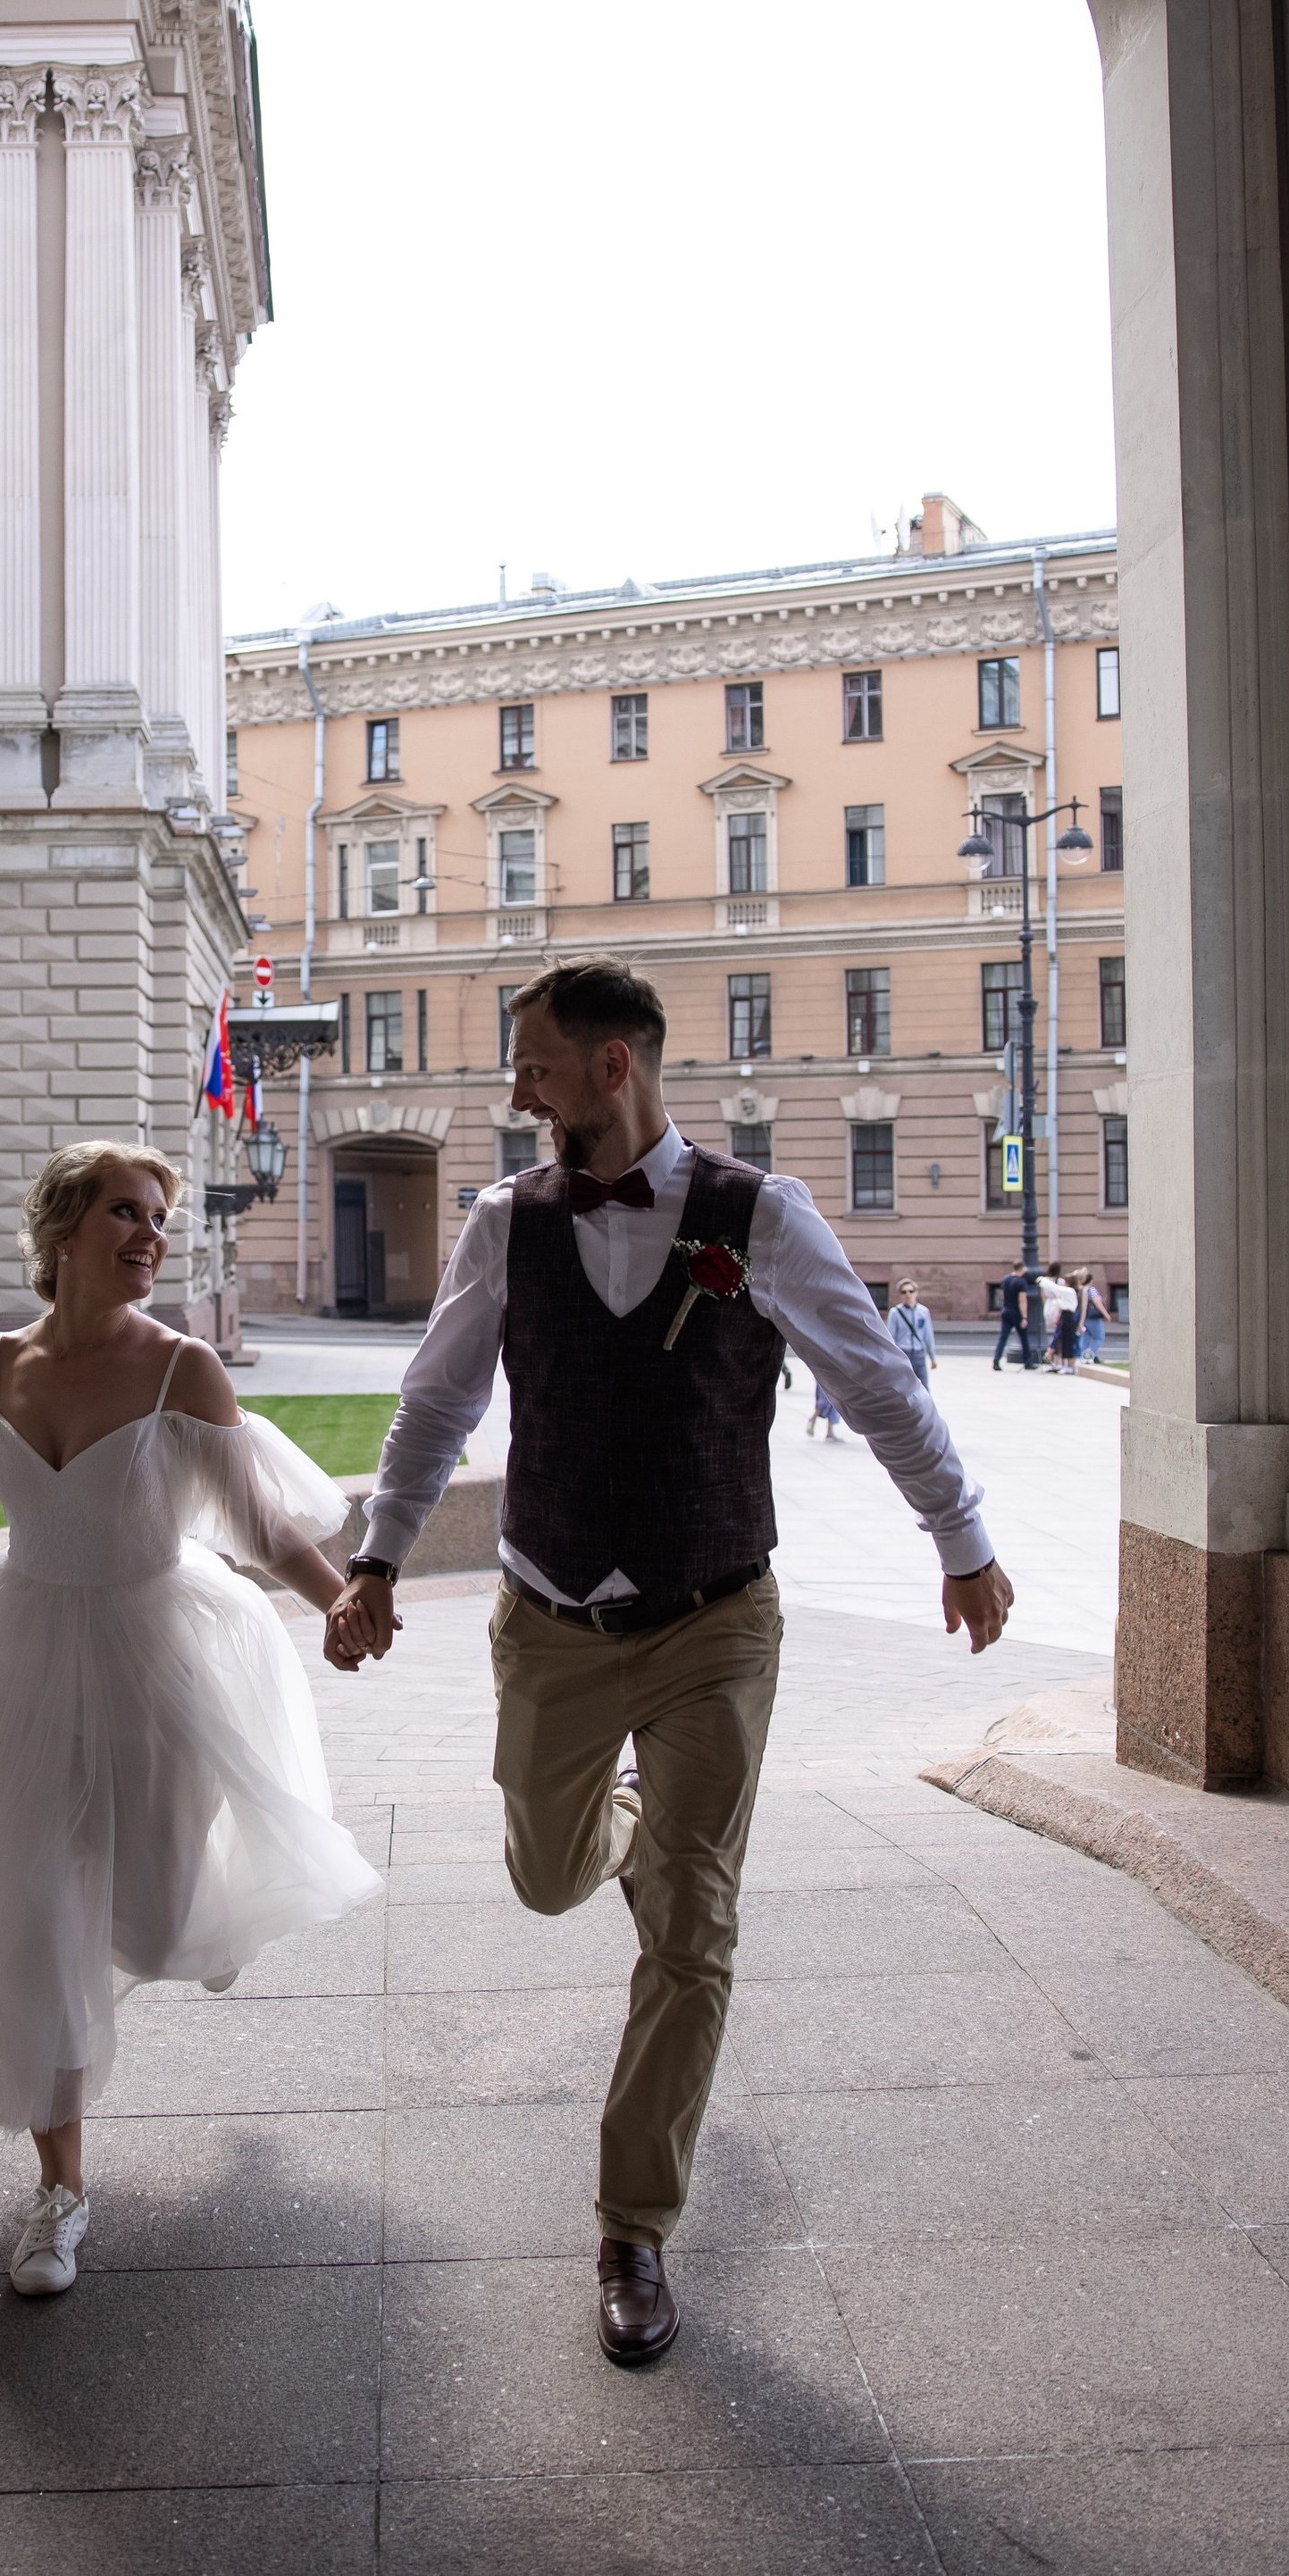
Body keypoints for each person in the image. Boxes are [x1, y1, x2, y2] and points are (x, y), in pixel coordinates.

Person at [323, 960, 1011, 2369]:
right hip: (551, 1620)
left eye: (535, 1065)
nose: (517, 1089)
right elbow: (440, 1397)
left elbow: (874, 1380)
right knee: (545, 1873)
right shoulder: (504, 1223)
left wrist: (963, 1538)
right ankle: (629, 1834)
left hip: (713, 1620)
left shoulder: (760, 1217)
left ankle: (633, 2226)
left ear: (614, 1068)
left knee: (693, 1938)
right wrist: (380, 1558)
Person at [0, 1142, 379, 2298]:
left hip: (155, 1658)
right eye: (128, 1212)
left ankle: (188, 1919)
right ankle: (59, 2192)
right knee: (35, 1927)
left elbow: (266, 1528)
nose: (153, 1234)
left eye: (159, 1216)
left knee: (152, 1925)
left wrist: (341, 1603)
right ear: (65, 1228)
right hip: (13, 1665)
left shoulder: (183, 1369)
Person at [888, 1275, 937, 1387]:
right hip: (903, 1353)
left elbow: (928, 1335)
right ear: (900, 1295)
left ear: (916, 1293)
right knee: (903, 1386)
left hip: (919, 1353)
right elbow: (891, 1337)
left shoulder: (923, 1311)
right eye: (904, 1292)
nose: (908, 1294)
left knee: (924, 1387)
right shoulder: (895, 1313)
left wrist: (932, 1357)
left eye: (911, 1291)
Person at [992, 1261, 1028, 1371]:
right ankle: (1028, 1361)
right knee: (1024, 1338)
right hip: (1017, 1313)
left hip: (1006, 1311)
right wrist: (1024, 1317)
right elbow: (1022, 1300)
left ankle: (996, 1360)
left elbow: (1002, 1295)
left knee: (1003, 1337)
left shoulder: (1006, 1279)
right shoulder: (1022, 1282)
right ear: (1022, 1269)